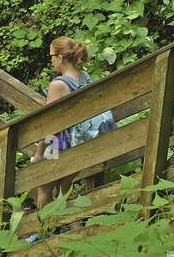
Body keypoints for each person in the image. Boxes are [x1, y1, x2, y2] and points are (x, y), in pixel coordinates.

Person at [30, 37, 114, 210]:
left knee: (44, 186)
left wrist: (39, 153)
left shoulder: (58, 85)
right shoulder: (84, 76)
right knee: (64, 185)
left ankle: (44, 230)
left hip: (60, 143)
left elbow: (49, 124)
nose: (51, 60)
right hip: (83, 141)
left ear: (60, 58)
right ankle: (70, 227)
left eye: (52, 56)